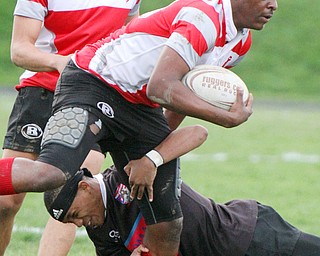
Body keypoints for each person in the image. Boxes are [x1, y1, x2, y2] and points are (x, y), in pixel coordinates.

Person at [0, 0, 277, 254]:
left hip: (139, 107)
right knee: (50, 174)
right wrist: (224, 117)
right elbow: (162, 86)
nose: (273, 5)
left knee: (167, 223)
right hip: (92, 82)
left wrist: (152, 156)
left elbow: (182, 89)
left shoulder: (240, 43)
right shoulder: (202, 18)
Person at [1, 0, 141, 255]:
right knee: (5, 203)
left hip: (92, 99)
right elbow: (19, 51)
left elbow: (132, 42)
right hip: (41, 92)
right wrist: (62, 63)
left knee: (71, 196)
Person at [45, 165, 320, 256]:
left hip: (245, 236)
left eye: (74, 215)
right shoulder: (101, 232)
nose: (79, 224)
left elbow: (192, 132)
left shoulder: (126, 171)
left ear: (85, 188)